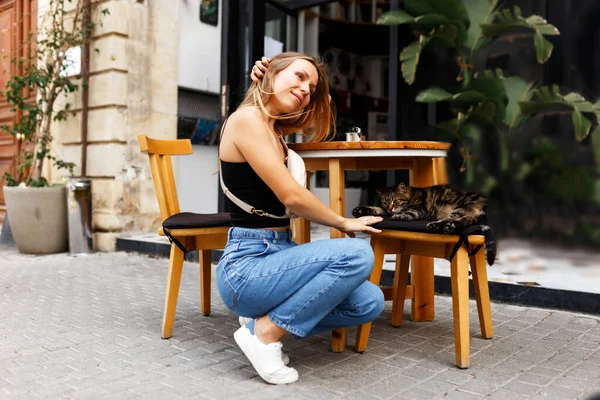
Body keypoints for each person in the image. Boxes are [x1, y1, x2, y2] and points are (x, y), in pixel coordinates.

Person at [217, 52, 385, 385]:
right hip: (246, 264)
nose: (305, 88)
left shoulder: (274, 132)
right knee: (358, 254)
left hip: (278, 251)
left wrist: (274, 81)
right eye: (299, 76)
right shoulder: (245, 120)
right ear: (270, 73)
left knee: (369, 302)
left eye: (310, 86)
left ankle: (260, 324)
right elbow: (291, 196)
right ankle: (264, 336)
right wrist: (343, 222)